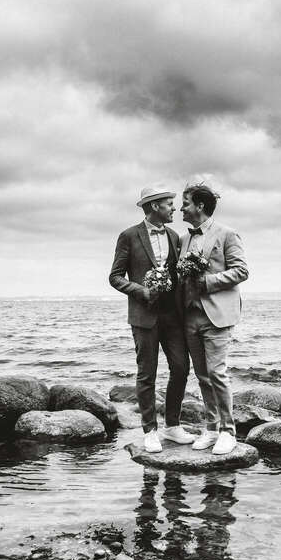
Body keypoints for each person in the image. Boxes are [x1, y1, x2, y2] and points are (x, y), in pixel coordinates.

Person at [109, 186, 198, 452]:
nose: (174, 209)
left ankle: (172, 426)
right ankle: (150, 430)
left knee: (181, 368)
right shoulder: (128, 236)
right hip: (143, 316)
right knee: (147, 374)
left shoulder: (174, 236)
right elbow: (115, 277)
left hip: (173, 316)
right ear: (154, 206)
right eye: (169, 204)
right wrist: (141, 291)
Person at [179, 181, 248, 455]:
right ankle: (210, 428)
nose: (181, 208)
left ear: (200, 206)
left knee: (217, 374)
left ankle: (228, 432)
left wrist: (207, 283)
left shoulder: (227, 234)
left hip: (217, 315)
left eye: (185, 203)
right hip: (190, 317)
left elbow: (241, 271)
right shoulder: (184, 239)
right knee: (202, 376)